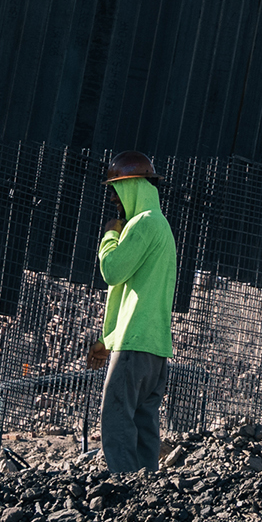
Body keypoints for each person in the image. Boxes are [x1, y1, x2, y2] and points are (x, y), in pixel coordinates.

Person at [89, 151, 178, 475]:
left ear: (132, 187)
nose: (113, 198)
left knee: (115, 418)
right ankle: (146, 489)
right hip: (155, 346)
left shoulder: (142, 224)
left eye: (116, 189)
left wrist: (110, 234)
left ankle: (124, 487)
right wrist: (105, 340)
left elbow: (112, 272)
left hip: (135, 341)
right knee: (143, 423)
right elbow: (125, 293)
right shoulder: (161, 227)